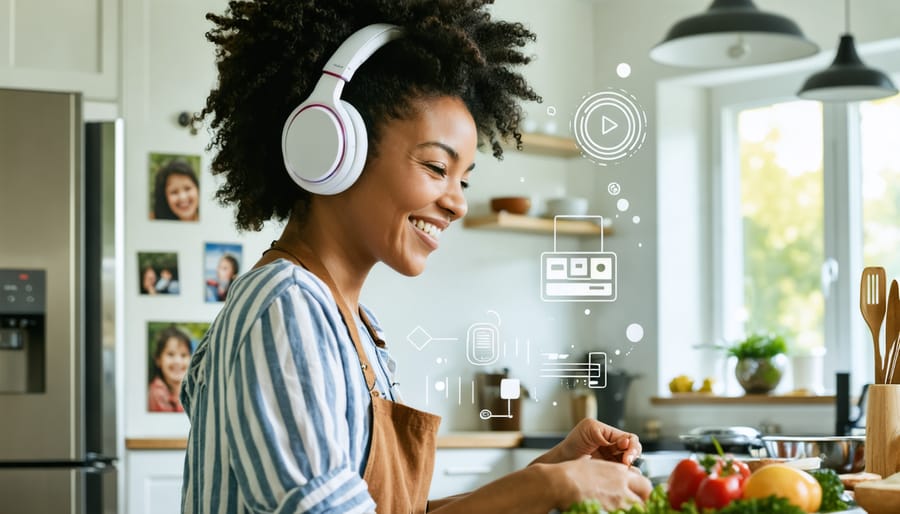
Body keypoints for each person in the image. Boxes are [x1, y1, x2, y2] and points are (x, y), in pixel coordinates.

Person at [180, 1, 652, 513]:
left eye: (463, 179)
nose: (457, 202)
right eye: (435, 166)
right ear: (334, 149)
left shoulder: (355, 328)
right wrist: (547, 491)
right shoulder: (284, 306)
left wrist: (548, 472)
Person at [148, 325, 192, 412]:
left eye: (183, 355)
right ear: (158, 359)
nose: (177, 361)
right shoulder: (157, 393)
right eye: (170, 354)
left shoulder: (191, 390)